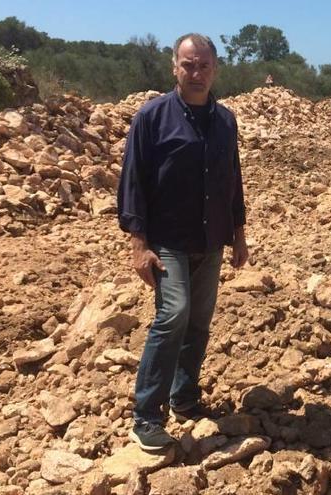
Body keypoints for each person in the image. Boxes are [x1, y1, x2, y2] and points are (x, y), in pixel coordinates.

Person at [117, 33, 248, 451]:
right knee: (173, 315)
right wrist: (139, 244)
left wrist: (238, 235)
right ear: (175, 66)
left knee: (199, 322)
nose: (196, 73)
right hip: (168, 239)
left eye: (203, 65)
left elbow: (233, 181)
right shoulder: (152, 117)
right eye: (188, 65)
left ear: (215, 69)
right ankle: (146, 416)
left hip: (210, 240)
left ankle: (185, 398)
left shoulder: (225, 120)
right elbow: (133, 181)